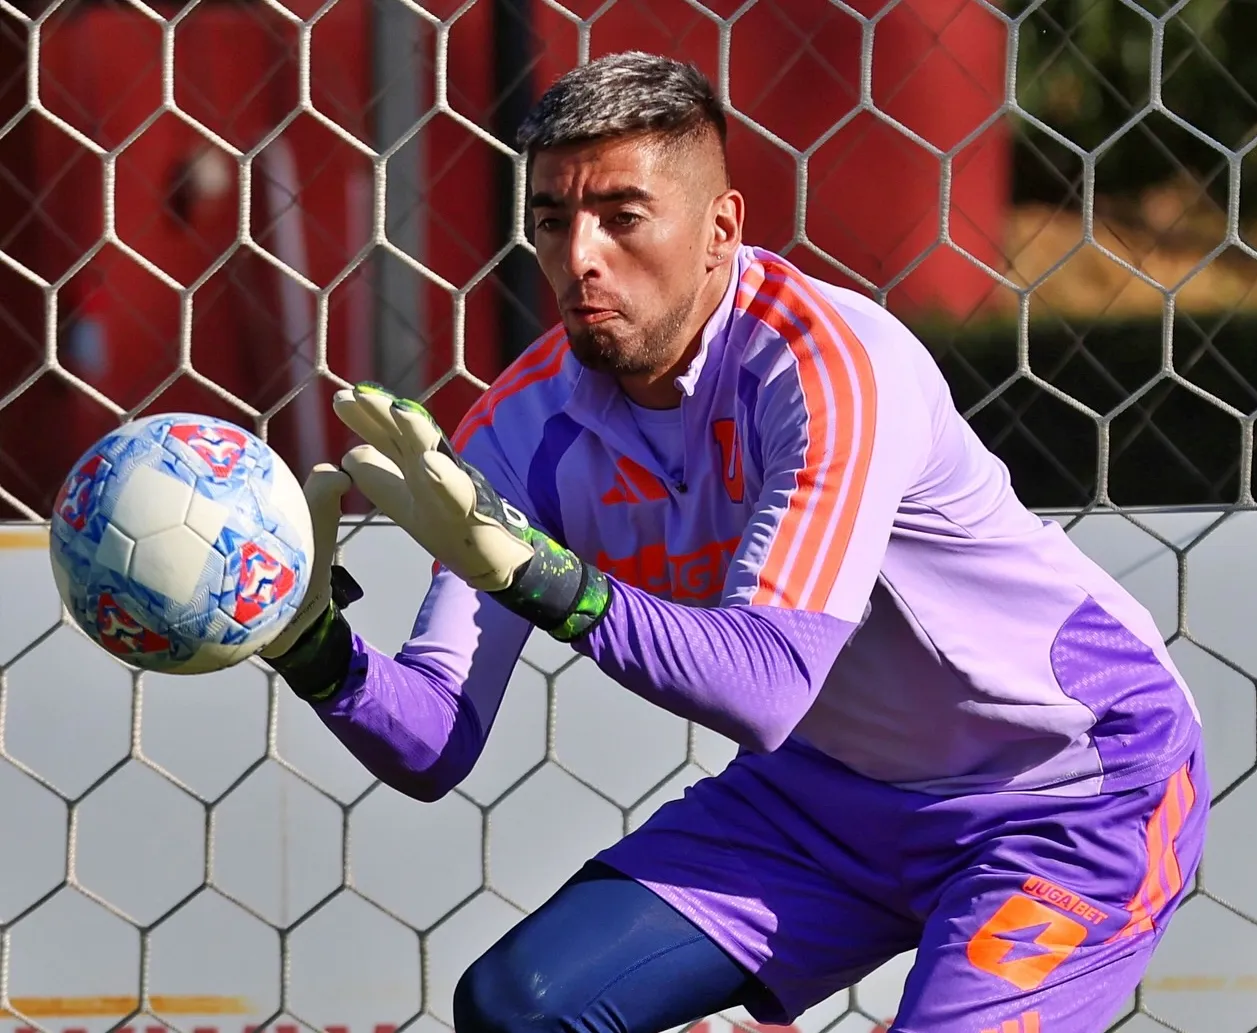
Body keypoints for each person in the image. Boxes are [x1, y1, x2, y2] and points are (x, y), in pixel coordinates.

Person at [258, 50, 1208, 1033]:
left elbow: (763, 687)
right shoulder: (517, 433)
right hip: (824, 799)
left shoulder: (831, 369)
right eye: (552, 220)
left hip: (1065, 788)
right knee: (517, 1008)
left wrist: (541, 578)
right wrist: (308, 641)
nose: (579, 254)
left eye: (622, 217)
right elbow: (435, 740)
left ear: (720, 231)